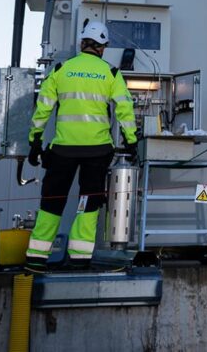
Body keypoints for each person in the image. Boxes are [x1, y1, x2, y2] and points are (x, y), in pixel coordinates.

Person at [24, 20, 138, 272]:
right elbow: (125, 110)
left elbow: (42, 108)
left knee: (52, 201)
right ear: (103, 48)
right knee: (89, 202)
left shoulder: (61, 69)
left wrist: (35, 141)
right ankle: (80, 257)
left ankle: (36, 257)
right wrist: (132, 141)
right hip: (97, 151)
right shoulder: (111, 73)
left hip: (62, 150)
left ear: (82, 43)